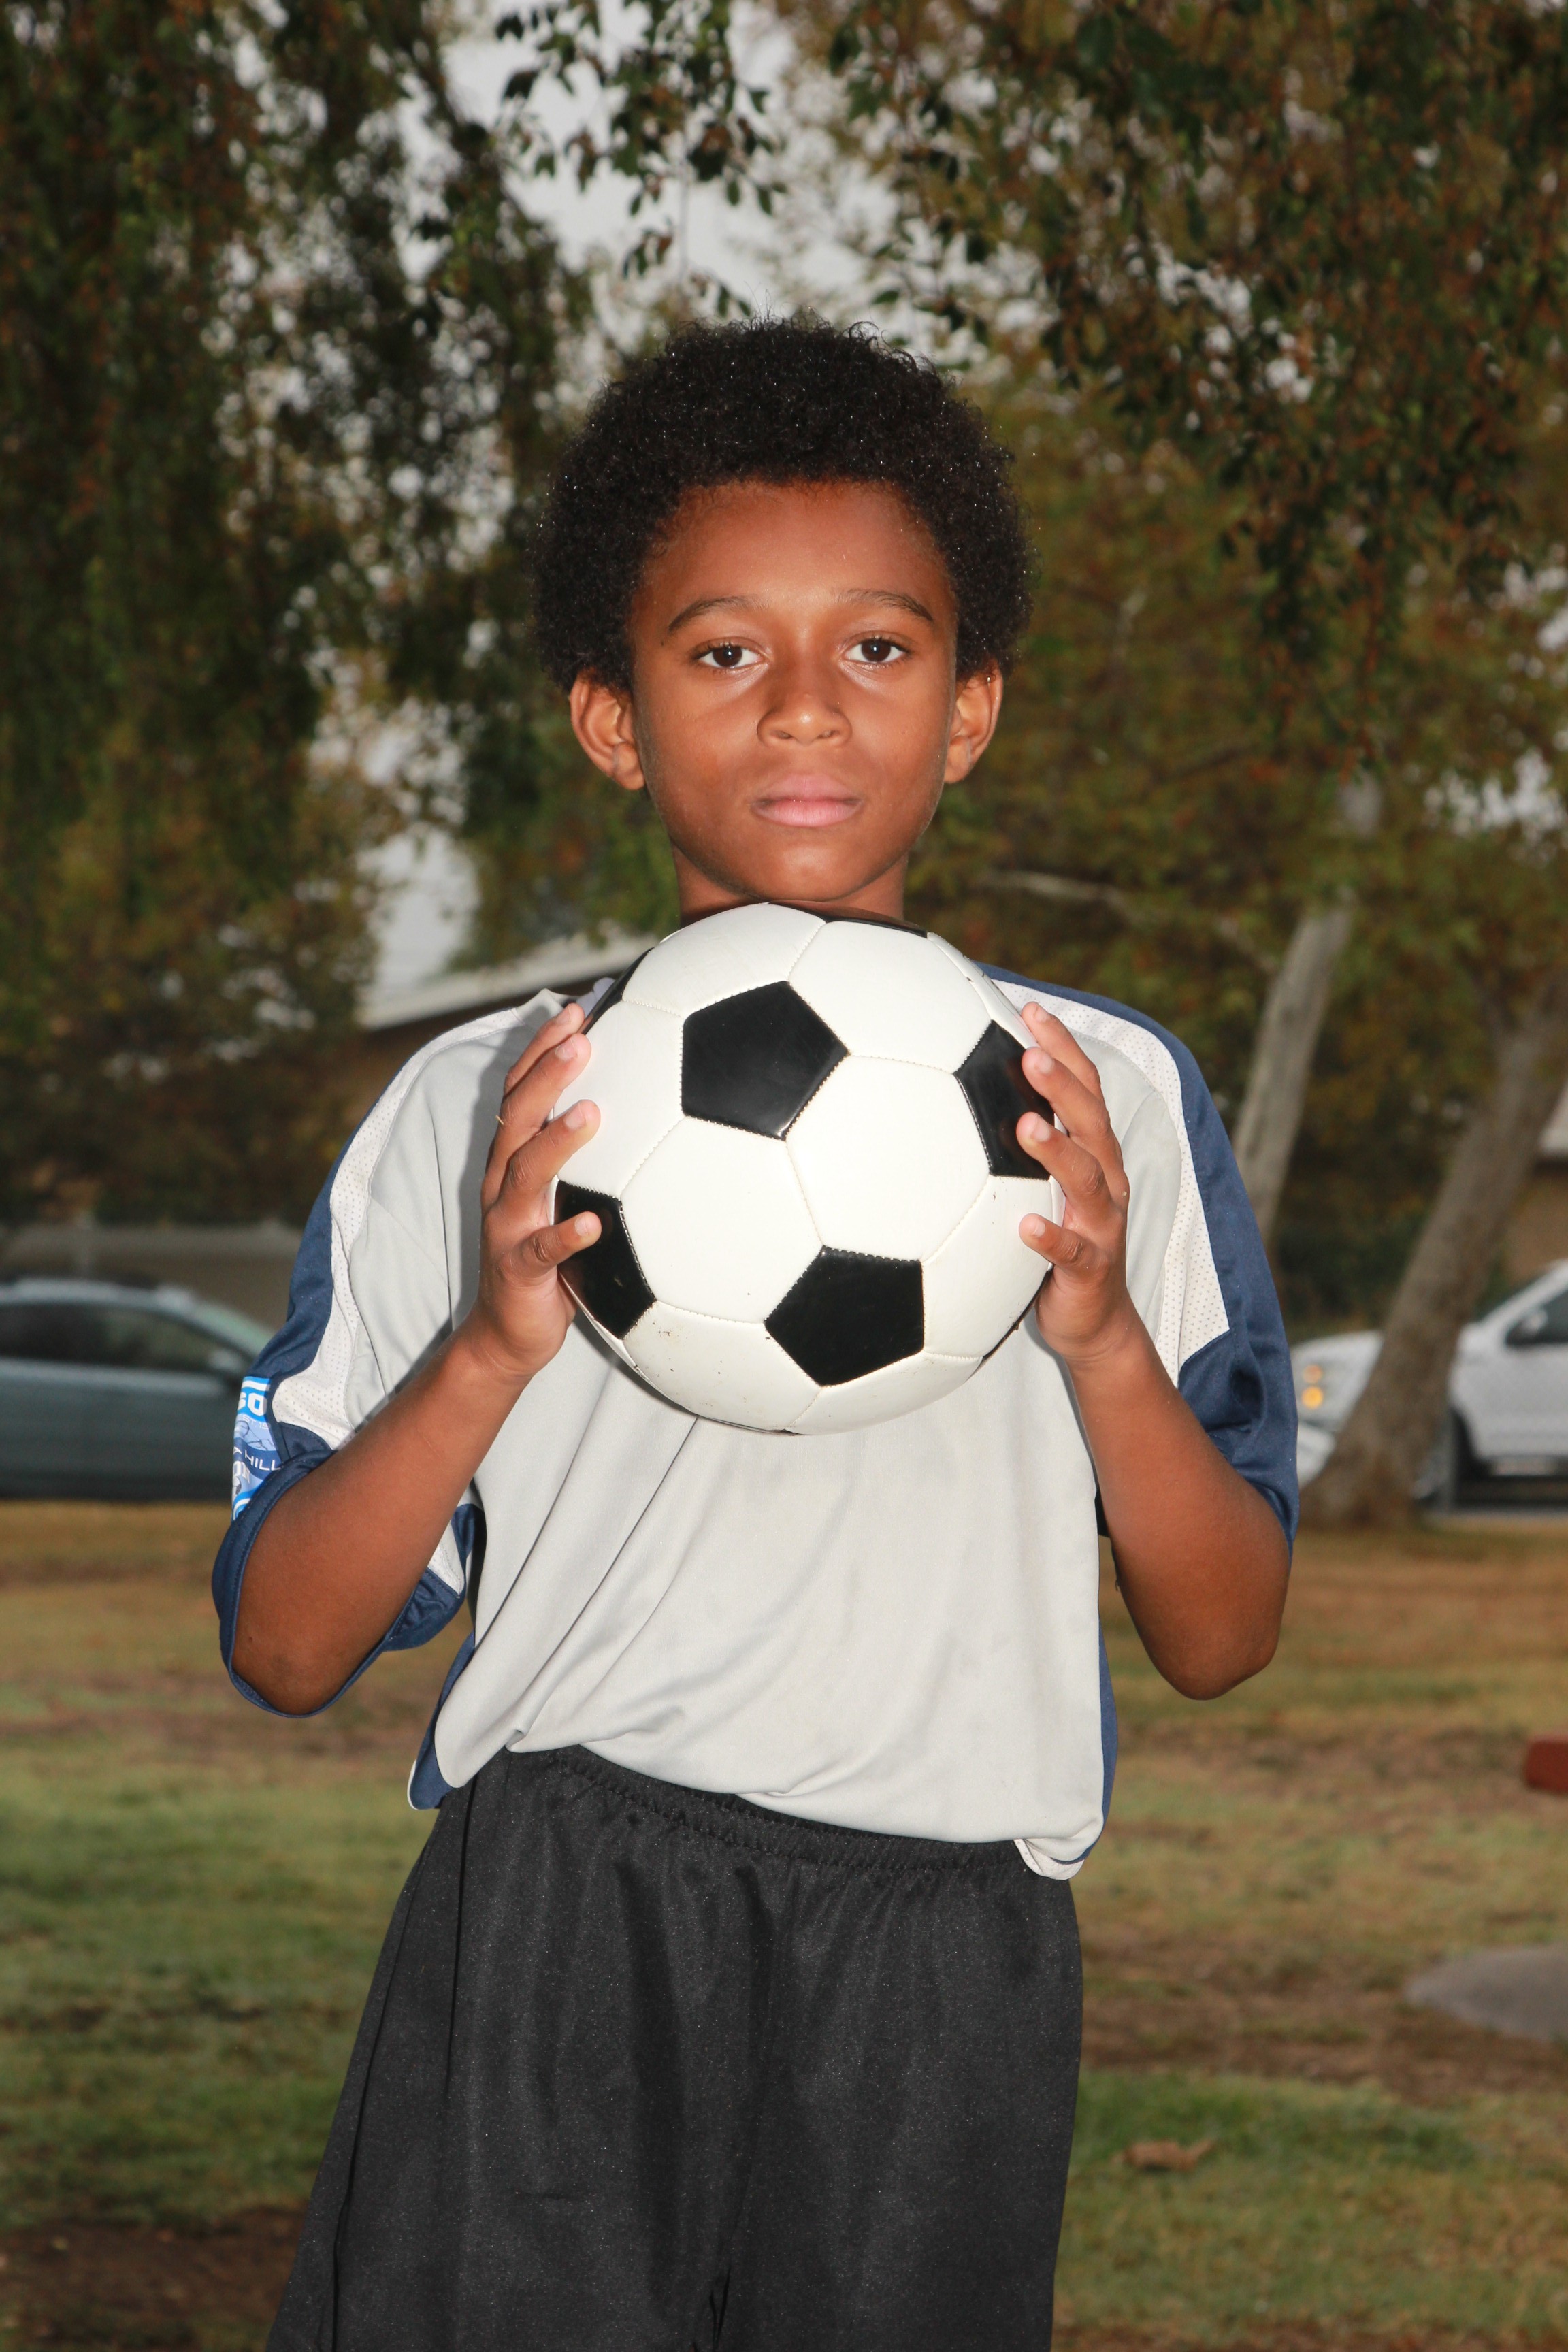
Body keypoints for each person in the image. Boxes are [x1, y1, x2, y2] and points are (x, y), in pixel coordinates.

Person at [217, 316, 1294, 2352]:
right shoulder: (471, 1107)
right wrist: (489, 1348)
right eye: (723, 652)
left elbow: (1226, 1633)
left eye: (877, 646)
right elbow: (285, 1647)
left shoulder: (1111, 1100)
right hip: (558, 1921)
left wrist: (1100, 1345)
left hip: (942, 1958)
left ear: (970, 708)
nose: (805, 706)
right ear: (613, 717)